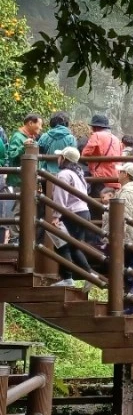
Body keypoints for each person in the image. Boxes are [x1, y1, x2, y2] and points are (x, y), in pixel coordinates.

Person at [49, 147, 97, 291]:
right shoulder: (78, 174)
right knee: (74, 246)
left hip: (71, 213)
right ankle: (89, 275)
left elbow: (60, 196)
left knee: (61, 244)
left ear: (64, 159)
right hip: (83, 212)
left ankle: (68, 278)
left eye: (60, 156)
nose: (58, 159)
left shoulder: (64, 174)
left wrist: (56, 215)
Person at [105, 162, 133, 315]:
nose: (118, 174)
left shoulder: (128, 192)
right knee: (130, 269)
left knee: (128, 271)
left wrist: (115, 238)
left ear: (126, 174)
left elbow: (123, 215)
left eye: (121, 172)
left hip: (129, 237)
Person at [6, 113, 43, 244]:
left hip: (29, 181)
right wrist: (23, 147)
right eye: (39, 124)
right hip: (18, 181)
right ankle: (15, 238)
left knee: (27, 209)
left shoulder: (31, 137)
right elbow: (12, 155)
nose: (41, 128)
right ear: (30, 123)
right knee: (18, 209)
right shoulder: (17, 137)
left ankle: (24, 238)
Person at [82, 114, 122, 194]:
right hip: (115, 178)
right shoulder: (116, 139)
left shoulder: (96, 135)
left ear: (95, 127)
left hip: (100, 178)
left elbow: (85, 153)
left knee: (95, 200)